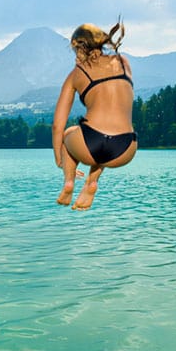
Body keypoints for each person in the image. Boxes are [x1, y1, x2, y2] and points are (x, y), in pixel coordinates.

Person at [52, 21, 137, 210]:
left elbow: (58, 125)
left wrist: (60, 159)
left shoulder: (77, 73)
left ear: (79, 47)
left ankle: (69, 182)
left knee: (68, 133)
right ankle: (92, 182)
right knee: (105, 137)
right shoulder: (123, 62)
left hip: (91, 143)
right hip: (126, 148)